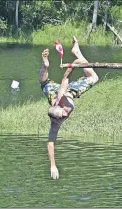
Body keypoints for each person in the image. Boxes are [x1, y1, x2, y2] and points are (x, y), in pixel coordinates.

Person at [39, 36, 99, 180]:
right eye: (64, 115)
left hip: (63, 91)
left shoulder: (61, 98)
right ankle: (77, 51)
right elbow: (50, 142)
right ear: (57, 120)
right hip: (66, 94)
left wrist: (74, 65)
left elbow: (65, 78)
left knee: (43, 82)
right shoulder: (55, 123)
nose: (67, 113)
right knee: (94, 78)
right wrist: (52, 165)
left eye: (64, 112)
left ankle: (45, 65)